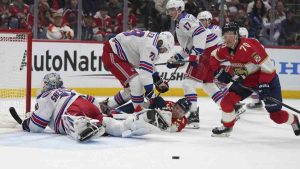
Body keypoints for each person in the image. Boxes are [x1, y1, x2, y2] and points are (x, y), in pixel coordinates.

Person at [210, 22, 300, 137]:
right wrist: (218, 71)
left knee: (276, 116)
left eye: (231, 34)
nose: (228, 37)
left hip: (267, 79)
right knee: (226, 102)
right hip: (246, 80)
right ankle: (227, 127)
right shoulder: (223, 49)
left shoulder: (250, 47)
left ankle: (293, 120)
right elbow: (213, 56)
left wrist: (263, 85)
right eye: (225, 34)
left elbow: (268, 67)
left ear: (237, 35)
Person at [21, 73, 154, 142]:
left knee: (72, 121)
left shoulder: (45, 96)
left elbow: (37, 126)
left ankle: (84, 125)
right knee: (109, 124)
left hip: (71, 110)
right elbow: (92, 100)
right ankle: (133, 123)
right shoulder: (68, 90)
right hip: (85, 103)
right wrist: (102, 112)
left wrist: (27, 123)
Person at [165, 0, 223, 129]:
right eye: (169, 10)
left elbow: (200, 33)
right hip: (211, 50)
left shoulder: (183, 21)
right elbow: (188, 46)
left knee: (187, 83)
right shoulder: (183, 21)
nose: (170, 12)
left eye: (172, 9)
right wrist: (177, 57)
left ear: (180, 9)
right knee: (208, 85)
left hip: (206, 52)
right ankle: (228, 109)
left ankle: (193, 116)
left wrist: (196, 53)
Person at [102, 29, 174, 112]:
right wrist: (150, 92)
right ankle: (135, 112)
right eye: (163, 49)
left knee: (130, 91)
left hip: (118, 54)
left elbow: (149, 63)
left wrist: (158, 80)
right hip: (113, 53)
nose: (162, 52)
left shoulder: (153, 39)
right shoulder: (151, 47)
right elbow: (145, 73)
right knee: (137, 83)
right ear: (161, 42)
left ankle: (107, 106)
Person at [103, 97, 191, 132]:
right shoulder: (169, 105)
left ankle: (109, 117)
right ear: (175, 104)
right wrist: (151, 104)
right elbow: (157, 99)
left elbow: (168, 130)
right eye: (177, 108)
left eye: (181, 111)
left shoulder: (181, 122)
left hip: (146, 121)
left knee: (127, 120)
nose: (177, 111)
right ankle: (111, 113)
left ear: (184, 114)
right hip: (145, 111)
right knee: (136, 103)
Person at [239, 27, 263, 109]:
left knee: (251, 84)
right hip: (251, 68)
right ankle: (257, 102)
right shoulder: (252, 41)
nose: (242, 38)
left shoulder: (252, 42)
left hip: (254, 68)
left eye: (243, 36)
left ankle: (257, 102)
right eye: (240, 36)